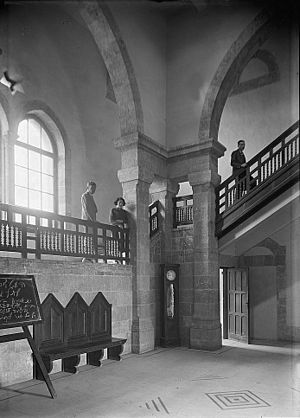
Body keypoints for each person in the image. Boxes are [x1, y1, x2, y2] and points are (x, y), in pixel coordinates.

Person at [81, 181, 97, 262]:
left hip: (92, 221)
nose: (93, 190)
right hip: (87, 220)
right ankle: (86, 255)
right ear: (88, 188)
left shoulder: (91, 197)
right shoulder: (85, 196)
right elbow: (86, 209)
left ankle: (90, 255)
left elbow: (94, 209)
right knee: (87, 237)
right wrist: (92, 220)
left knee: (91, 237)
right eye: (92, 188)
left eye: (94, 188)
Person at [109, 197, 128, 262]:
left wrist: (121, 222)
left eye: (122, 203)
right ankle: (115, 258)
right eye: (119, 202)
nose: (121, 204)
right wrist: (119, 223)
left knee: (121, 243)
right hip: (115, 228)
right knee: (115, 242)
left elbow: (126, 220)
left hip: (121, 229)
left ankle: (120, 258)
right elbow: (112, 221)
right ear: (117, 203)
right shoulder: (113, 210)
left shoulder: (124, 212)